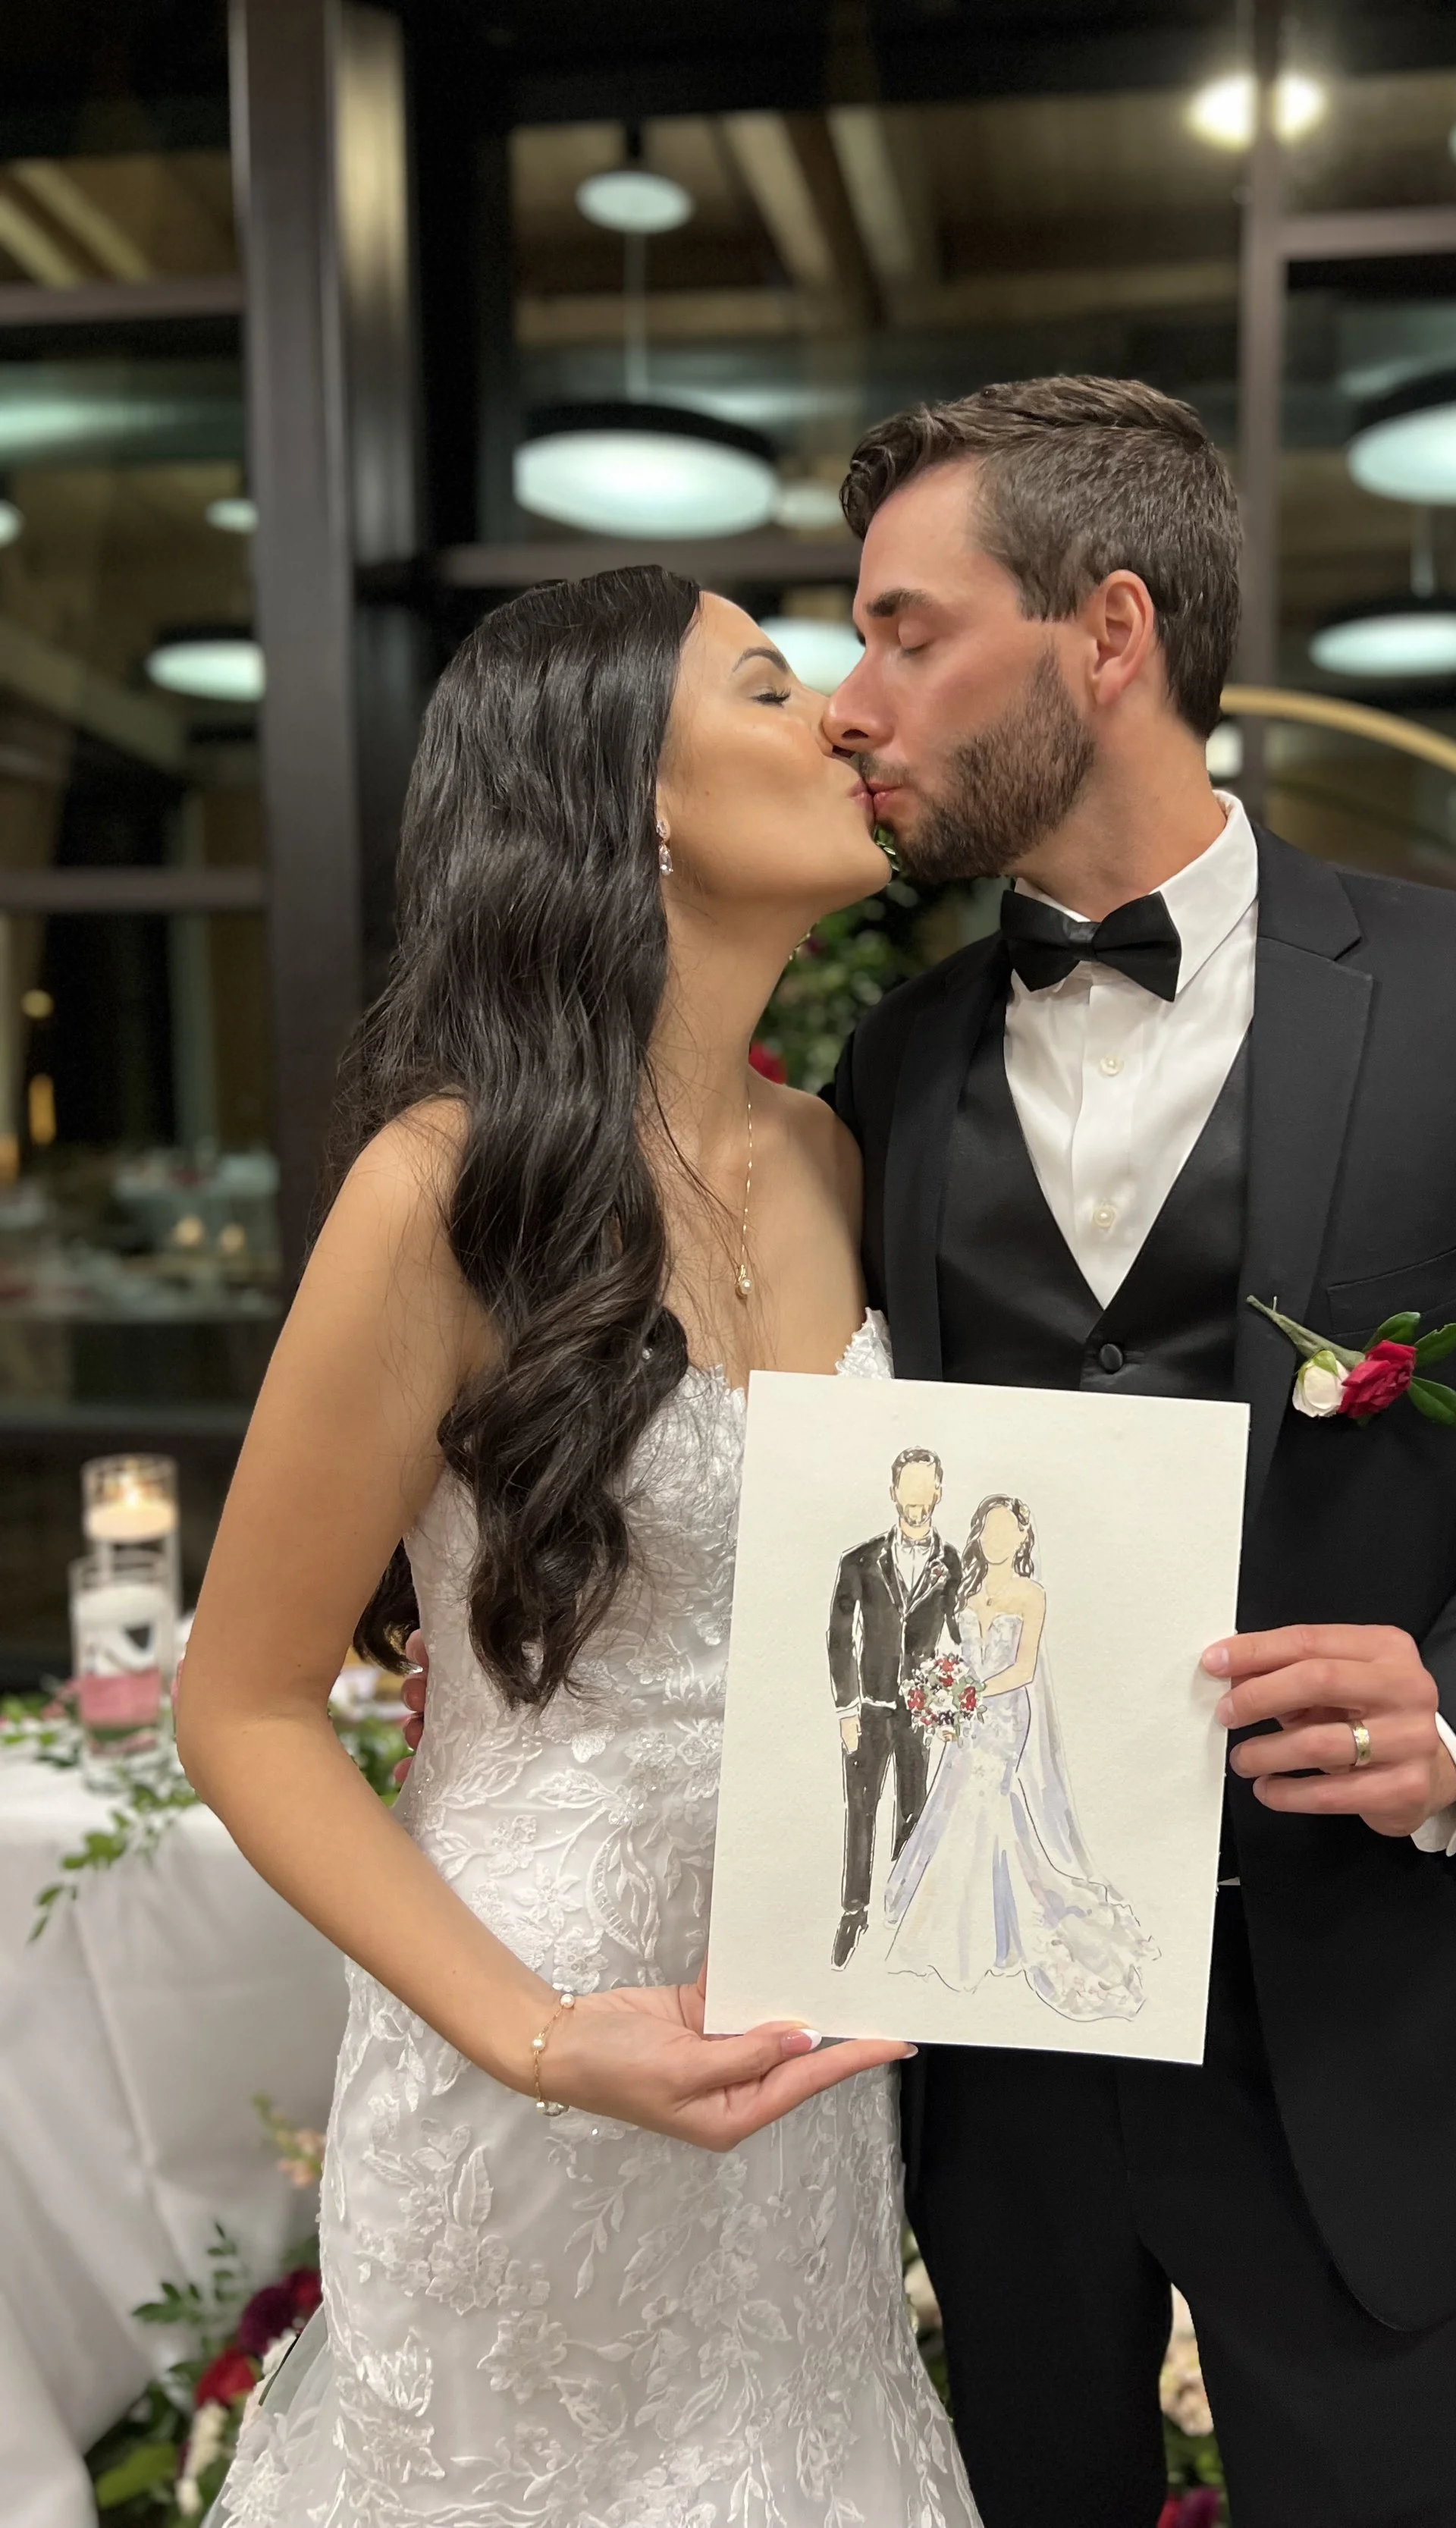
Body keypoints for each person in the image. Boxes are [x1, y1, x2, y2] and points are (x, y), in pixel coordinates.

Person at [814, 375, 1456, 2528]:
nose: (857, 703)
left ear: (1103, 634)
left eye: (903, 629)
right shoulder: (892, 1055)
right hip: (1002, 2052)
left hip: (1360, 2037)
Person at [174, 568, 978, 2526]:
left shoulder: (827, 1159)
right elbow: (245, 1702)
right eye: (780, 687)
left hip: (794, 2066)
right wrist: (533, 2035)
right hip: (526, 2043)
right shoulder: (443, 1187)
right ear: (634, 792)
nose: (850, 722)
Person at [883, 1492, 1155, 2018]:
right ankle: (970, 1926)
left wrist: (969, 1692)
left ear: (1023, 1537)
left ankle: (997, 1932)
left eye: (1007, 1530)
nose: (996, 1539)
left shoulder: (1031, 1594)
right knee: (959, 1805)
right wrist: (944, 1697)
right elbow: (955, 1655)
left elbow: (1024, 1669)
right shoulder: (965, 1589)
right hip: (966, 1718)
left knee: (987, 1803)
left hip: (1005, 1719)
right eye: (988, 1529)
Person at [827, 1446, 961, 1965]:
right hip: (868, 1709)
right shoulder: (859, 1561)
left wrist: (949, 1706)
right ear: (893, 1493)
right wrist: (845, 1709)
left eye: (926, 1488)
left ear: (938, 1494)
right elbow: (840, 1638)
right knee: (860, 1810)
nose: (917, 1500)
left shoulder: (950, 1563)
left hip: (921, 1713)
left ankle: (901, 1909)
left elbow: (959, 1635)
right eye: (908, 1488)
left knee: (915, 1809)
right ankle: (853, 1912)